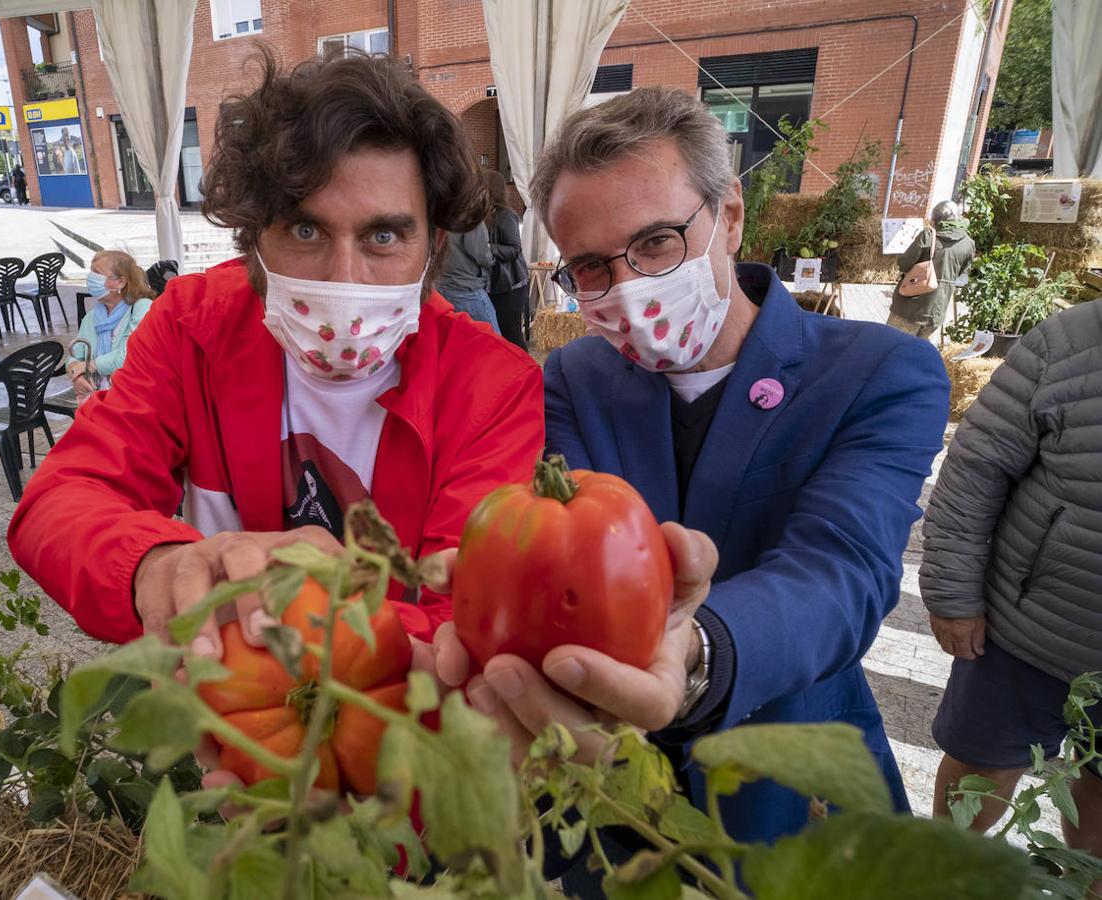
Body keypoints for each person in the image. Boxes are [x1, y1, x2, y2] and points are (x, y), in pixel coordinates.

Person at [431, 86, 950, 884]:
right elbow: (557, 549)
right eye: (593, 267)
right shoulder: (574, 377)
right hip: (610, 800)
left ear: (730, 215)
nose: (629, 285)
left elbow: (843, 569)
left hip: (784, 789)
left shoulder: (879, 372)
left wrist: (699, 649)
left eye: (658, 242)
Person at [7, 52, 545, 661]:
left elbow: (464, 617)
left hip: (389, 733)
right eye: (306, 231)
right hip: (219, 713)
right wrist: (155, 567)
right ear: (253, 237)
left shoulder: (493, 388)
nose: (346, 279)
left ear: (434, 246)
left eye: (384, 236)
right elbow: (61, 500)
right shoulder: (191, 327)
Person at [919, 299, 1102, 868]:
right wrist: (953, 593)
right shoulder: (1068, 343)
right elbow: (975, 468)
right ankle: (947, 877)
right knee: (984, 765)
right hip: (1030, 631)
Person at [67, 250, 155, 401]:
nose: (91, 278)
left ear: (120, 282)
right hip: (99, 400)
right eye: (91, 272)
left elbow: (130, 356)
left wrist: (89, 365)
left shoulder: (142, 308)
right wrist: (77, 375)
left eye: (97, 273)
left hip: (136, 398)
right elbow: (75, 355)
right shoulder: (92, 317)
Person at [887, 199, 975, 339]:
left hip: (909, 308)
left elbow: (904, 264)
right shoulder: (968, 243)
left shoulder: (928, 236)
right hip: (937, 311)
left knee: (890, 346)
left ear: (935, 220)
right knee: (918, 355)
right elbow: (962, 274)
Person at [484, 170, 528, 348]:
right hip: (495, 284)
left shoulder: (505, 215)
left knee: (511, 333)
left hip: (511, 284)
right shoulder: (486, 215)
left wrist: (487, 248)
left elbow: (515, 249)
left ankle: (527, 372)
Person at [435, 220, 500, 332]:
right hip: (466, 288)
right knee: (494, 341)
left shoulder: (438, 214)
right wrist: (493, 260)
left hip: (441, 287)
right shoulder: (471, 217)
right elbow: (481, 254)